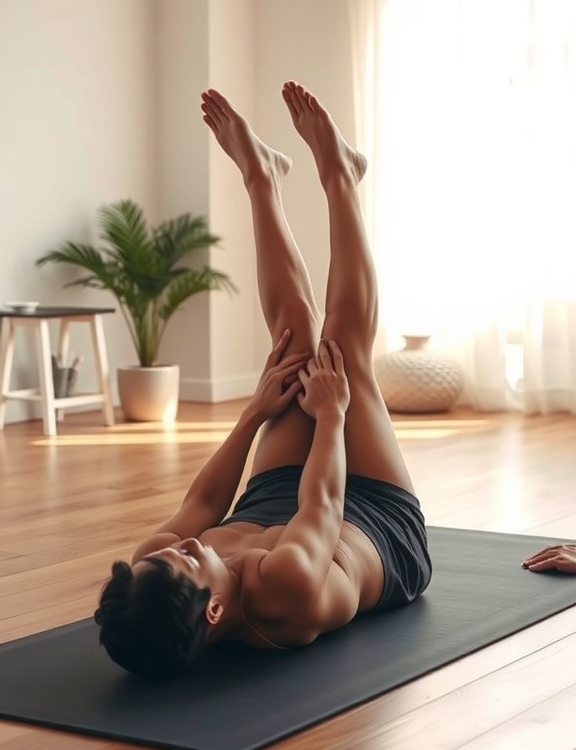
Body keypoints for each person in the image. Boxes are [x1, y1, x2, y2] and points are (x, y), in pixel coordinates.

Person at [94, 82, 432, 678]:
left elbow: (203, 504)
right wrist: (331, 414)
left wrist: (254, 412)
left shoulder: (154, 568)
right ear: (215, 609)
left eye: (172, 552)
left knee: (293, 355)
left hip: (277, 499)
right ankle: (342, 177)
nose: (184, 544)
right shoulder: (286, 592)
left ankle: (262, 176)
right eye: (189, 559)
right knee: (342, 354)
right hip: (368, 521)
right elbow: (324, 502)